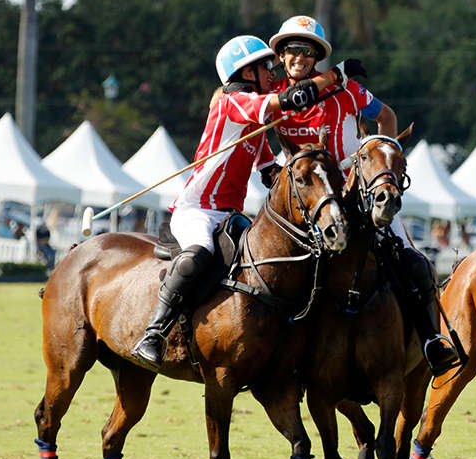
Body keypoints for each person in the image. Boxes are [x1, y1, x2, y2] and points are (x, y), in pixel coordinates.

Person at [131, 34, 342, 370]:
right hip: (197, 209)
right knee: (198, 256)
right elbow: (288, 100)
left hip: (230, 214)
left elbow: (269, 171)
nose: (272, 74)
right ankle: (154, 333)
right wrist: (334, 75)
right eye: (265, 68)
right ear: (246, 73)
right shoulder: (232, 105)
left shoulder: (255, 126)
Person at [267, 14, 460, 377]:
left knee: (413, 262)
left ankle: (432, 340)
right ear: (281, 55)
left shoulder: (348, 92)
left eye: (307, 51)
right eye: (293, 49)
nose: (300, 57)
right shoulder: (273, 98)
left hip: (356, 193)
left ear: (316, 57)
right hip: (304, 203)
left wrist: (376, 156)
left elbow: (386, 116)